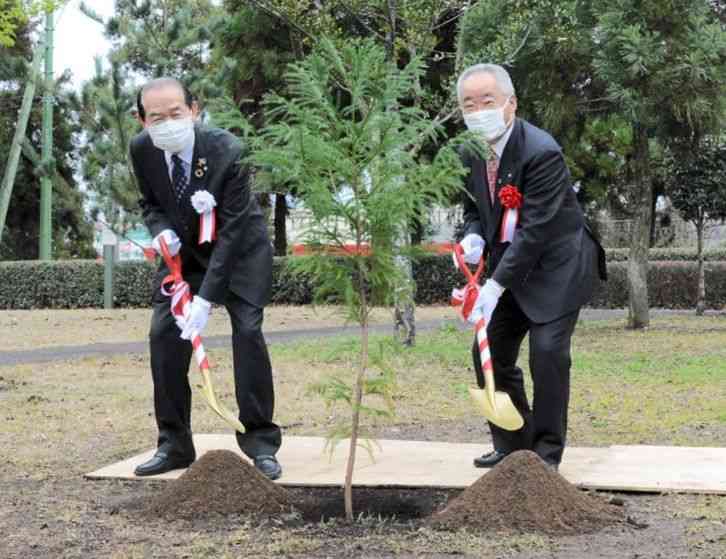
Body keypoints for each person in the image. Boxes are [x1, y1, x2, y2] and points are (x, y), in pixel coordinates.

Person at [456, 64, 606, 471]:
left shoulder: (541, 151)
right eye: (469, 103)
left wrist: (494, 285)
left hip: (557, 267)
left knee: (548, 353)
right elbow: (475, 207)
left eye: (487, 101)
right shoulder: (470, 150)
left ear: (511, 103)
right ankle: (512, 445)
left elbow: (536, 229)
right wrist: (472, 236)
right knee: (489, 352)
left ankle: (545, 455)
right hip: (511, 267)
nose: (478, 110)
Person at [130, 77, 282, 479]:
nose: (167, 123)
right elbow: (149, 202)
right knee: (163, 335)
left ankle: (261, 443)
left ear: (194, 110)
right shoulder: (142, 150)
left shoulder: (227, 151)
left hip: (240, 253)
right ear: (142, 120)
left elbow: (231, 233)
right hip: (183, 257)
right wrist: (159, 227)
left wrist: (205, 299)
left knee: (247, 333)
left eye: (176, 113)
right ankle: (174, 443)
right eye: (156, 117)